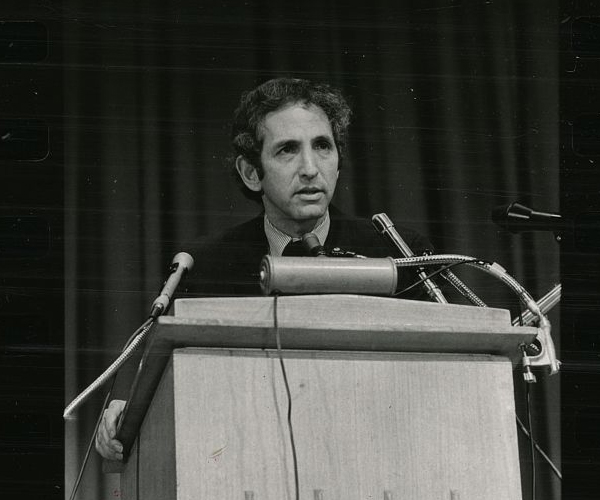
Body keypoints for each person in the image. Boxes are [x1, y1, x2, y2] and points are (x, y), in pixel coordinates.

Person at [95, 77, 432, 460]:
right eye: (288, 150)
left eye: (322, 146)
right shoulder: (203, 267)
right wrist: (128, 410)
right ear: (251, 172)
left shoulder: (397, 253)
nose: (310, 168)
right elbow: (166, 387)